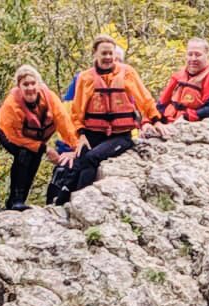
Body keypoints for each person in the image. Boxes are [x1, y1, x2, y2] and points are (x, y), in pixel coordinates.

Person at [60, 34, 166, 202]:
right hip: (92, 133)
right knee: (77, 162)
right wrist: (80, 135)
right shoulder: (86, 78)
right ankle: (62, 201)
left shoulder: (127, 73)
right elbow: (76, 111)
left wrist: (155, 120)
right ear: (95, 53)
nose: (108, 57)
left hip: (120, 135)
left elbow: (144, 98)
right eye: (104, 53)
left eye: (110, 53)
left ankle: (81, 201)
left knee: (91, 158)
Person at [0, 65, 77, 210]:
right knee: (25, 154)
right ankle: (16, 199)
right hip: (10, 135)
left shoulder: (50, 99)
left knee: (35, 155)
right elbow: (14, 136)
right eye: (25, 85)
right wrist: (45, 147)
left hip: (35, 135)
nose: (30, 88)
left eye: (33, 84)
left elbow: (64, 123)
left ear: (39, 85)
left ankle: (19, 201)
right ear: (19, 87)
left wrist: (76, 147)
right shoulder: (12, 105)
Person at [157, 38, 209, 124]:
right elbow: (161, 104)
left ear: (207, 56)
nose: (193, 59)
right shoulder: (178, 75)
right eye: (190, 54)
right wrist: (153, 121)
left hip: (194, 125)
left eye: (198, 55)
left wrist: (186, 116)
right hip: (169, 123)